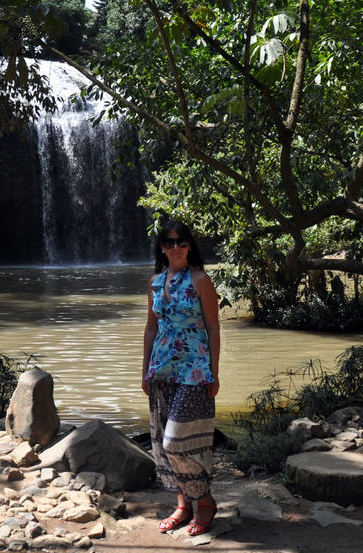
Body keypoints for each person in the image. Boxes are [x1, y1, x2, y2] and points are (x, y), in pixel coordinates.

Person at [142, 220, 221, 536]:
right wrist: (144, 370)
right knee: (162, 442)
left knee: (178, 442)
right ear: (162, 247)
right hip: (161, 370)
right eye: (169, 242)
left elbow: (213, 328)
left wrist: (214, 372)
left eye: (182, 242)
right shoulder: (154, 283)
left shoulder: (201, 280)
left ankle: (205, 501)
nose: (176, 247)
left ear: (190, 246)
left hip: (194, 371)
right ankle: (182, 505)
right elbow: (150, 327)